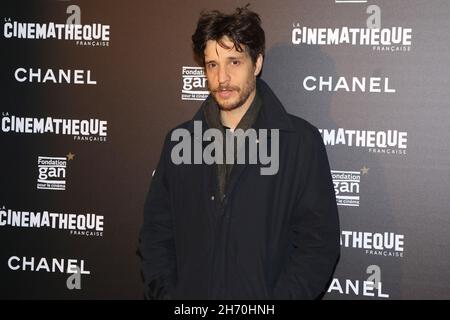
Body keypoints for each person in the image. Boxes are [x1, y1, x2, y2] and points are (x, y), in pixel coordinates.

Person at [139, 5, 340, 300]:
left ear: (256, 63)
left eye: (234, 62)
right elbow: (155, 234)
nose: (222, 78)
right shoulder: (178, 142)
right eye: (212, 65)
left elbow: (318, 246)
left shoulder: (300, 144)